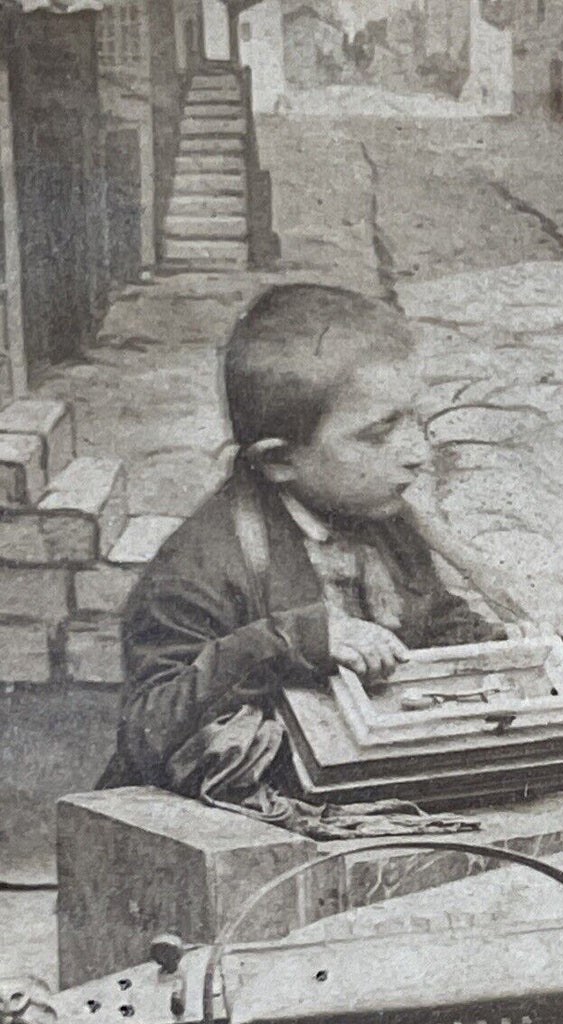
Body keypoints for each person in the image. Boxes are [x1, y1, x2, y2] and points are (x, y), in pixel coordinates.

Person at [99, 283, 508, 797]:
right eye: (379, 433)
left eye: (416, 420)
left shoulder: (382, 517)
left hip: (370, 777)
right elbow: (148, 732)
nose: (417, 452)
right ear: (278, 460)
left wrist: (499, 649)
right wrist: (291, 641)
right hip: (252, 811)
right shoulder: (200, 568)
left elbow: (431, 619)